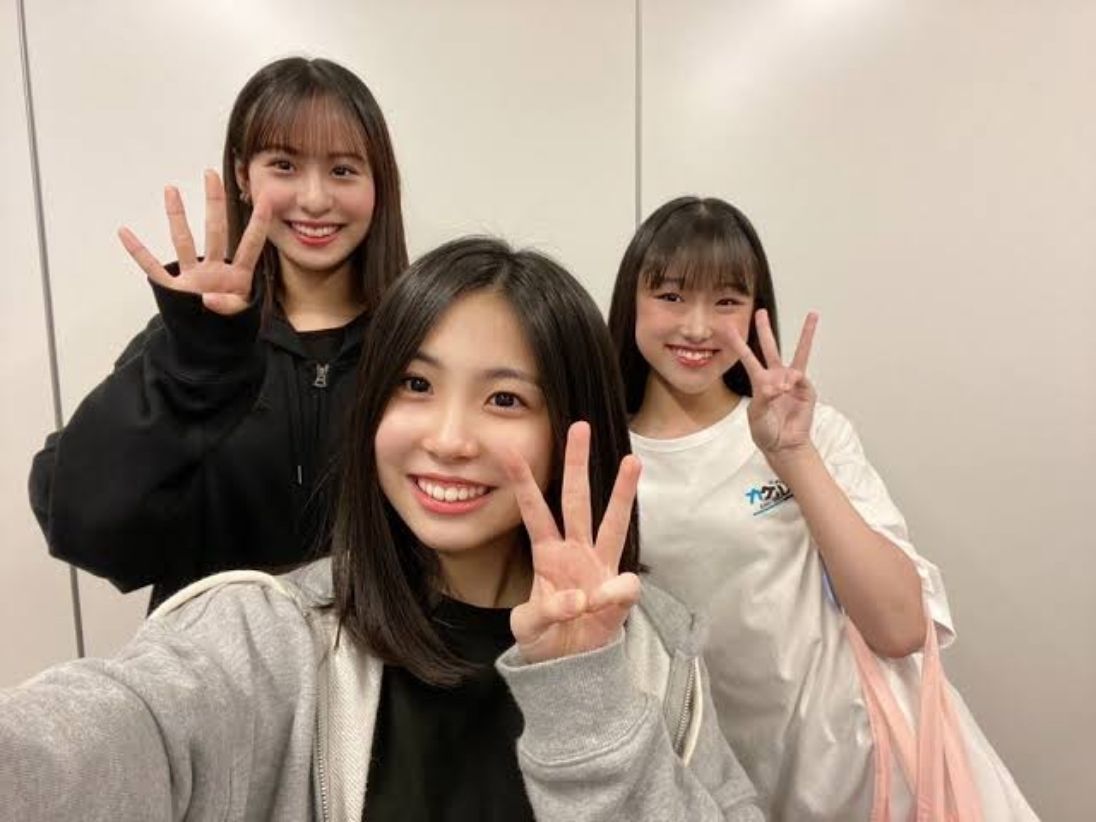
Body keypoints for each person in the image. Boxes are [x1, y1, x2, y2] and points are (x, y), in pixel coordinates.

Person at [0, 238, 762, 821]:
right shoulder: (274, 638)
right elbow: (118, 729)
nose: (449, 438)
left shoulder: (654, 650)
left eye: (504, 400)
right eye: (416, 385)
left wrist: (586, 699)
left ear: (572, 427)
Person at [607, 196, 1038, 820]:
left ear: (755, 311)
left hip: (862, 767)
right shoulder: (602, 458)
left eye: (726, 301)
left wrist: (794, 456)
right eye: (671, 295)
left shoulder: (811, 433)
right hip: (711, 783)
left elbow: (901, 628)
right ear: (633, 301)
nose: (698, 328)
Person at [28, 57, 408, 609]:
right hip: (209, 658)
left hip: (382, 658)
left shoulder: (421, 344)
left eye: (344, 170)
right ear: (243, 176)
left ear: (378, 183)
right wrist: (197, 359)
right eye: (284, 165)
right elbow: (80, 520)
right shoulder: (193, 344)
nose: (315, 198)